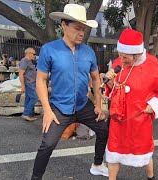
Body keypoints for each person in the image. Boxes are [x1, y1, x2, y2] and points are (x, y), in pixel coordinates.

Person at [31, 4, 109, 179]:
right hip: (59, 107)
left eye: (84, 29)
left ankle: (97, 164)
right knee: (47, 144)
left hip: (83, 105)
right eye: (77, 28)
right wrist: (47, 111)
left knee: (104, 130)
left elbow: (96, 79)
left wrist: (98, 104)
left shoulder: (89, 52)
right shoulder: (49, 50)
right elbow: (40, 80)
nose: (82, 33)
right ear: (63, 25)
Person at [104, 29, 158, 180]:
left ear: (136, 54)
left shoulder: (152, 64)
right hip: (119, 118)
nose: (121, 60)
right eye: (120, 55)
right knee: (114, 152)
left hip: (140, 117)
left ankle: (151, 177)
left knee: (144, 152)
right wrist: (109, 81)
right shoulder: (118, 63)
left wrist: (154, 104)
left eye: (125, 57)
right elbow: (112, 89)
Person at [19, 47, 38, 121]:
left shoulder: (29, 62)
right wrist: (23, 85)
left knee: (28, 98)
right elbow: (21, 74)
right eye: (34, 54)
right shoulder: (24, 61)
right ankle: (26, 114)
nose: (34, 56)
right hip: (29, 83)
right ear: (29, 53)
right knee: (34, 98)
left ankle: (29, 114)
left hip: (31, 83)